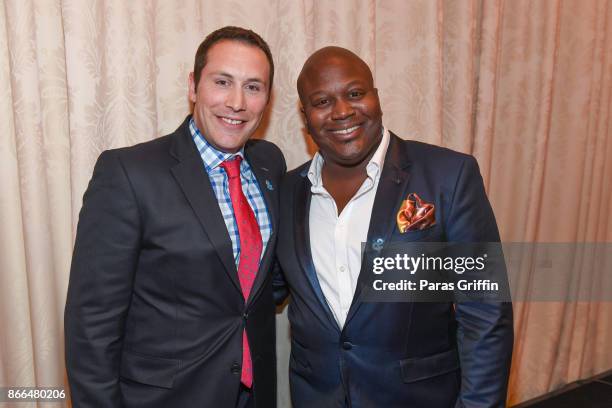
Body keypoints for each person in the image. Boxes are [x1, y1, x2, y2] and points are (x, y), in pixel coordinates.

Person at [274, 46, 513, 408]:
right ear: (305, 116)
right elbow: (261, 289)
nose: (342, 111)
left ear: (376, 97)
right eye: (322, 101)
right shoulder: (287, 192)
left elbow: (485, 312)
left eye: (355, 94)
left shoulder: (448, 176)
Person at [65, 26, 285, 408]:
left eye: (253, 87)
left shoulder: (270, 163)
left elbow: (259, 286)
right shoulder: (129, 173)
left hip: (253, 395)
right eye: (222, 82)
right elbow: (93, 324)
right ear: (193, 86)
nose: (237, 102)